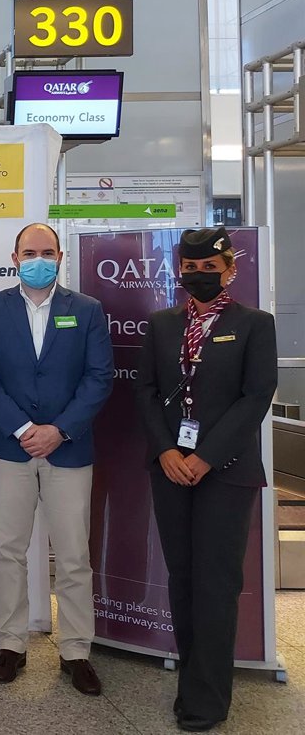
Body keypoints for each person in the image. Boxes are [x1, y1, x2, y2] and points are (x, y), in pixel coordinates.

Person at [136, 227, 277, 732]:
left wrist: (206, 457)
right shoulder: (162, 324)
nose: (198, 275)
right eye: (190, 268)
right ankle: (190, 682)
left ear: (229, 270)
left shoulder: (255, 324)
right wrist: (167, 450)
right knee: (183, 578)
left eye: (209, 268)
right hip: (170, 467)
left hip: (227, 471)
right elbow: (147, 391)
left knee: (216, 583)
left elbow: (256, 396)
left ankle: (208, 698)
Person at [0, 223, 113, 696]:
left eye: (47, 252)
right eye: (29, 253)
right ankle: (11, 643)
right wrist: (23, 428)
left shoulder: (86, 310)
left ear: (60, 257)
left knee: (73, 554)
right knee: (9, 548)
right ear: (14, 258)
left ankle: (76, 650)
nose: (38, 260)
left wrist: (59, 429)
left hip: (69, 447)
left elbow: (99, 377)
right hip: (10, 446)